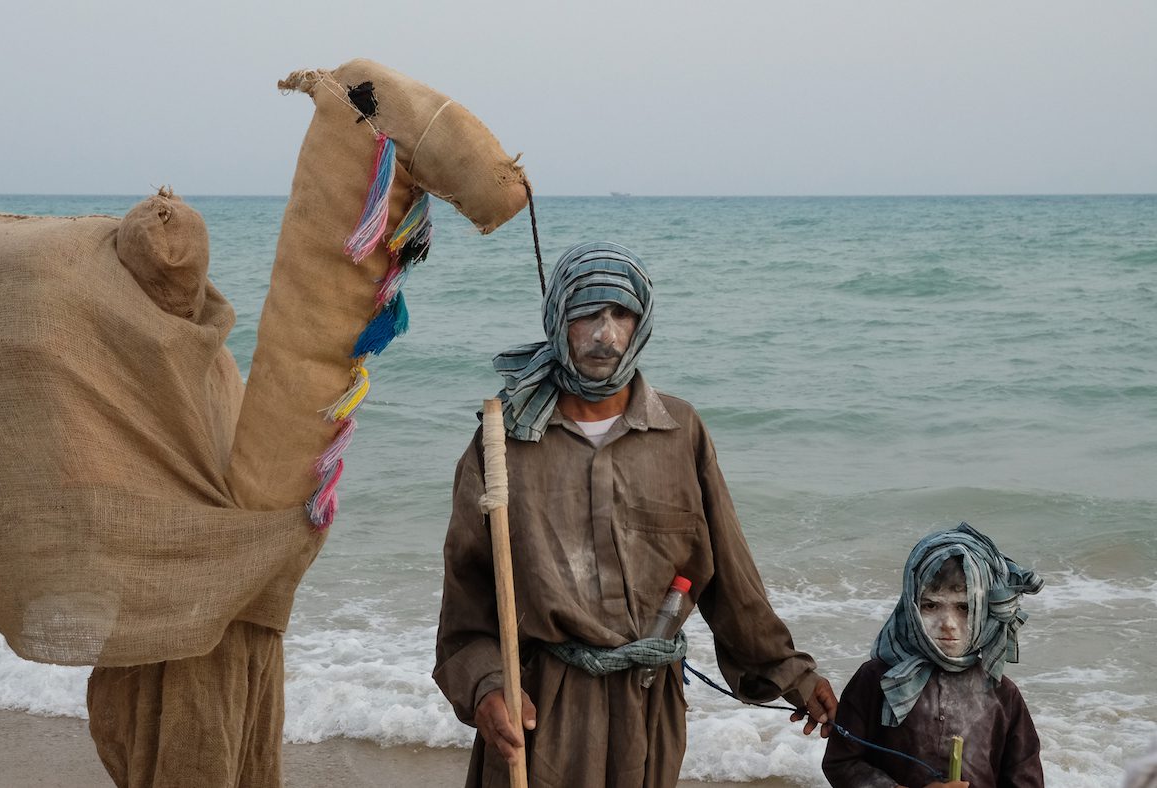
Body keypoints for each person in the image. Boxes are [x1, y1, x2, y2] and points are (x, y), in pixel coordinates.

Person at [433, 241, 838, 788]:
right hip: (543, 707)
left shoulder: (681, 432)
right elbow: (467, 608)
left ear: (641, 322)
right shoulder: (502, 444)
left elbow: (730, 581)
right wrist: (486, 688)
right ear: (558, 320)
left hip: (650, 706)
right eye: (587, 314)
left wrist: (795, 675)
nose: (606, 334)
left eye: (621, 314)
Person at [822, 523, 1045, 788]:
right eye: (931, 605)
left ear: (985, 611)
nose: (948, 623)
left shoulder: (1003, 694)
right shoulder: (876, 679)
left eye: (964, 607)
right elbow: (841, 763)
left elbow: (1026, 781)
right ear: (911, 606)